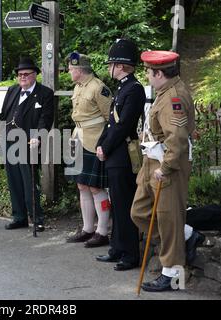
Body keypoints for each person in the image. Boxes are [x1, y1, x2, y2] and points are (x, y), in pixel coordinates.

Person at [131, 50, 204, 292]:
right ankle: (187, 234)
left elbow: (178, 138)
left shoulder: (174, 97)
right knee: (140, 212)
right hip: (151, 159)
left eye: (149, 73)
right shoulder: (165, 91)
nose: (147, 77)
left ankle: (172, 274)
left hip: (166, 163)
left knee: (168, 217)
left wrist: (166, 166)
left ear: (159, 73)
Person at [95, 39, 145, 270]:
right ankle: (117, 247)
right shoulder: (123, 88)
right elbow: (110, 124)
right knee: (116, 203)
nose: (109, 68)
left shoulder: (134, 89)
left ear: (121, 66)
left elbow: (123, 125)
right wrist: (101, 143)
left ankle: (130, 253)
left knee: (124, 204)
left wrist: (105, 147)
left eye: (111, 64)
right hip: (115, 152)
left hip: (123, 154)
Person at [0, 57, 54, 231]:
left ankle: (37, 218)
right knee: (14, 180)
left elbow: (46, 119)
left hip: (30, 142)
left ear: (35, 75)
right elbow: (3, 114)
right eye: (19, 74)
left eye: (26, 74)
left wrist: (38, 136)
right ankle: (19, 216)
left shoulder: (45, 93)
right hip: (10, 140)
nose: (22, 77)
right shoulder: (12, 90)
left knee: (29, 181)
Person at [64, 52, 112, 248]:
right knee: (82, 185)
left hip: (94, 140)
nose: (68, 72)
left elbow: (111, 118)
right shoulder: (78, 87)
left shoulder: (98, 88)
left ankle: (102, 231)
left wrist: (106, 143)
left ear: (79, 70)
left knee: (96, 187)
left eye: (70, 69)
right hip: (78, 138)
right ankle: (87, 229)